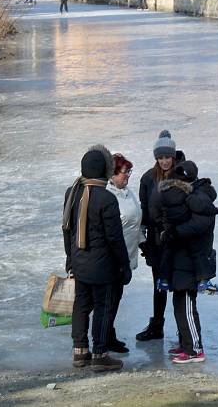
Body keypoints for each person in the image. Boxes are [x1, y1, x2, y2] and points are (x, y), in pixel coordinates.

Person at [62, 145, 132, 372]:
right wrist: (124, 265)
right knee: (102, 306)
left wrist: (70, 259)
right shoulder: (106, 198)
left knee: (81, 305)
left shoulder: (72, 192)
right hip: (102, 266)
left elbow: (66, 229)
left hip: (80, 262)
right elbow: (114, 238)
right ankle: (100, 354)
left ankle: (80, 351)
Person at [159, 159, 218, 364]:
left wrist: (175, 232)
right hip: (182, 258)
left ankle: (194, 349)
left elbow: (201, 226)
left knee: (186, 304)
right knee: (180, 303)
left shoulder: (198, 201)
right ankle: (186, 343)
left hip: (190, 260)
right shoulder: (192, 199)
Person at [135, 130, 181, 342]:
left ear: (173, 156)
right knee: (159, 285)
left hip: (178, 240)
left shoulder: (181, 175)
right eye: (160, 157)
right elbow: (144, 211)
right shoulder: (147, 178)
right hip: (156, 241)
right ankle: (157, 325)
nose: (164, 161)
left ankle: (185, 331)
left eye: (167, 157)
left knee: (180, 286)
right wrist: (144, 239)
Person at [154, 161, 218, 294]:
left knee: (168, 254)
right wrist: (212, 209)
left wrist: (167, 229)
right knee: (198, 253)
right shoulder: (189, 194)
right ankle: (203, 282)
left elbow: (157, 212)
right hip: (185, 235)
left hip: (171, 230)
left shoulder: (166, 191)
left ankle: (163, 280)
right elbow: (200, 210)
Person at [105, 153, 143, 354]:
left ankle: (108, 335)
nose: (127, 175)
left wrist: (143, 243)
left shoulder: (127, 192)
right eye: (124, 172)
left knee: (115, 298)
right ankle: (103, 338)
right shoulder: (108, 195)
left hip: (127, 255)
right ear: (112, 174)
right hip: (112, 259)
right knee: (109, 300)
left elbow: (135, 221)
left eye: (129, 171)